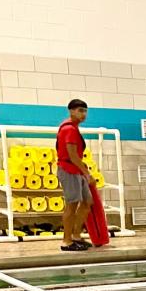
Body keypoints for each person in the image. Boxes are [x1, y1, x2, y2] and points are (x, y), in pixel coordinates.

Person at [56, 98, 92, 252]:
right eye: (80, 111)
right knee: (72, 205)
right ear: (71, 111)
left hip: (76, 170)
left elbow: (76, 156)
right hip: (68, 169)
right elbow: (72, 156)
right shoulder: (69, 129)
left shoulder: (73, 128)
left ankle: (76, 236)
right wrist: (87, 174)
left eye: (85, 111)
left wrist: (84, 170)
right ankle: (66, 241)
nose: (83, 114)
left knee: (87, 202)